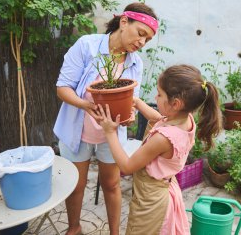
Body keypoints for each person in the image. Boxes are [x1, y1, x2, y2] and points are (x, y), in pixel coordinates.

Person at [53, 2, 159, 235]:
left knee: (111, 185)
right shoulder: (87, 46)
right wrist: (86, 105)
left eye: (147, 40)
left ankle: (114, 233)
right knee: (76, 185)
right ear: (124, 22)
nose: (141, 42)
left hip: (111, 132)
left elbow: (132, 99)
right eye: (140, 33)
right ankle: (74, 228)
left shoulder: (135, 63)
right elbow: (63, 88)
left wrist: (129, 117)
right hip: (77, 129)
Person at [94, 64, 223, 234]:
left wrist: (110, 132)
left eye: (159, 94)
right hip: (164, 189)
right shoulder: (186, 120)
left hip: (151, 199)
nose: (155, 97)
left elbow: (126, 166)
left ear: (175, 103)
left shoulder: (162, 139)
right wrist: (138, 103)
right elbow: (158, 118)